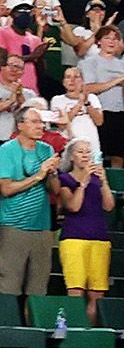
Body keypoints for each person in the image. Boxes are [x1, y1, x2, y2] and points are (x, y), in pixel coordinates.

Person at [48, 143, 116, 320]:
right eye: (80, 151)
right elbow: (73, 206)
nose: (85, 155)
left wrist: (104, 182)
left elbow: (109, 206)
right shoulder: (65, 179)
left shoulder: (97, 179)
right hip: (74, 238)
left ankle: (91, 330)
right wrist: (83, 184)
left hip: (99, 238)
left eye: (88, 152)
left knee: (97, 293)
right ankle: (75, 328)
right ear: (71, 157)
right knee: (76, 290)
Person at [0, 108, 59, 296]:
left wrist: (52, 174)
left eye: (41, 122)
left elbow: (55, 190)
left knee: (38, 288)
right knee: (9, 285)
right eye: (34, 122)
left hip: (42, 227)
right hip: (14, 226)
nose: (40, 126)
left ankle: (32, 316)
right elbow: (6, 189)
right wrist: (39, 175)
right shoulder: (6, 150)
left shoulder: (47, 150)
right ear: (20, 125)